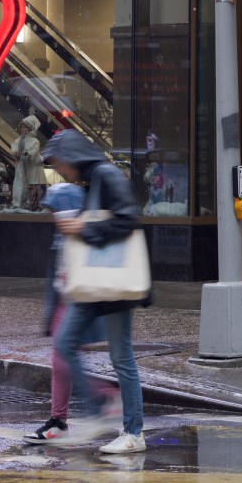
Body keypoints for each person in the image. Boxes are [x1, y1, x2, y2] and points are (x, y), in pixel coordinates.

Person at [41, 129, 149, 453]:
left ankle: (133, 432)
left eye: (60, 163)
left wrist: (82, 226)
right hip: (95, 282)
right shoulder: (91, 180)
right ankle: (101, 408)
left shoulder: (105, 174)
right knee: (65, 342)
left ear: (72, 156)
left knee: (121, 356)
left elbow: (128, 220)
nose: (60, 170)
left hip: (111, 281)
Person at [23, 180, 121, 444]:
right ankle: (60, 419)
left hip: (77, 304)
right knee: (60, 361)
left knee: (63, 358)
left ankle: (100, 398)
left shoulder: (81, 232)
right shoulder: (63, 235)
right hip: (64, 302)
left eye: (54, 210)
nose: (51, 215)